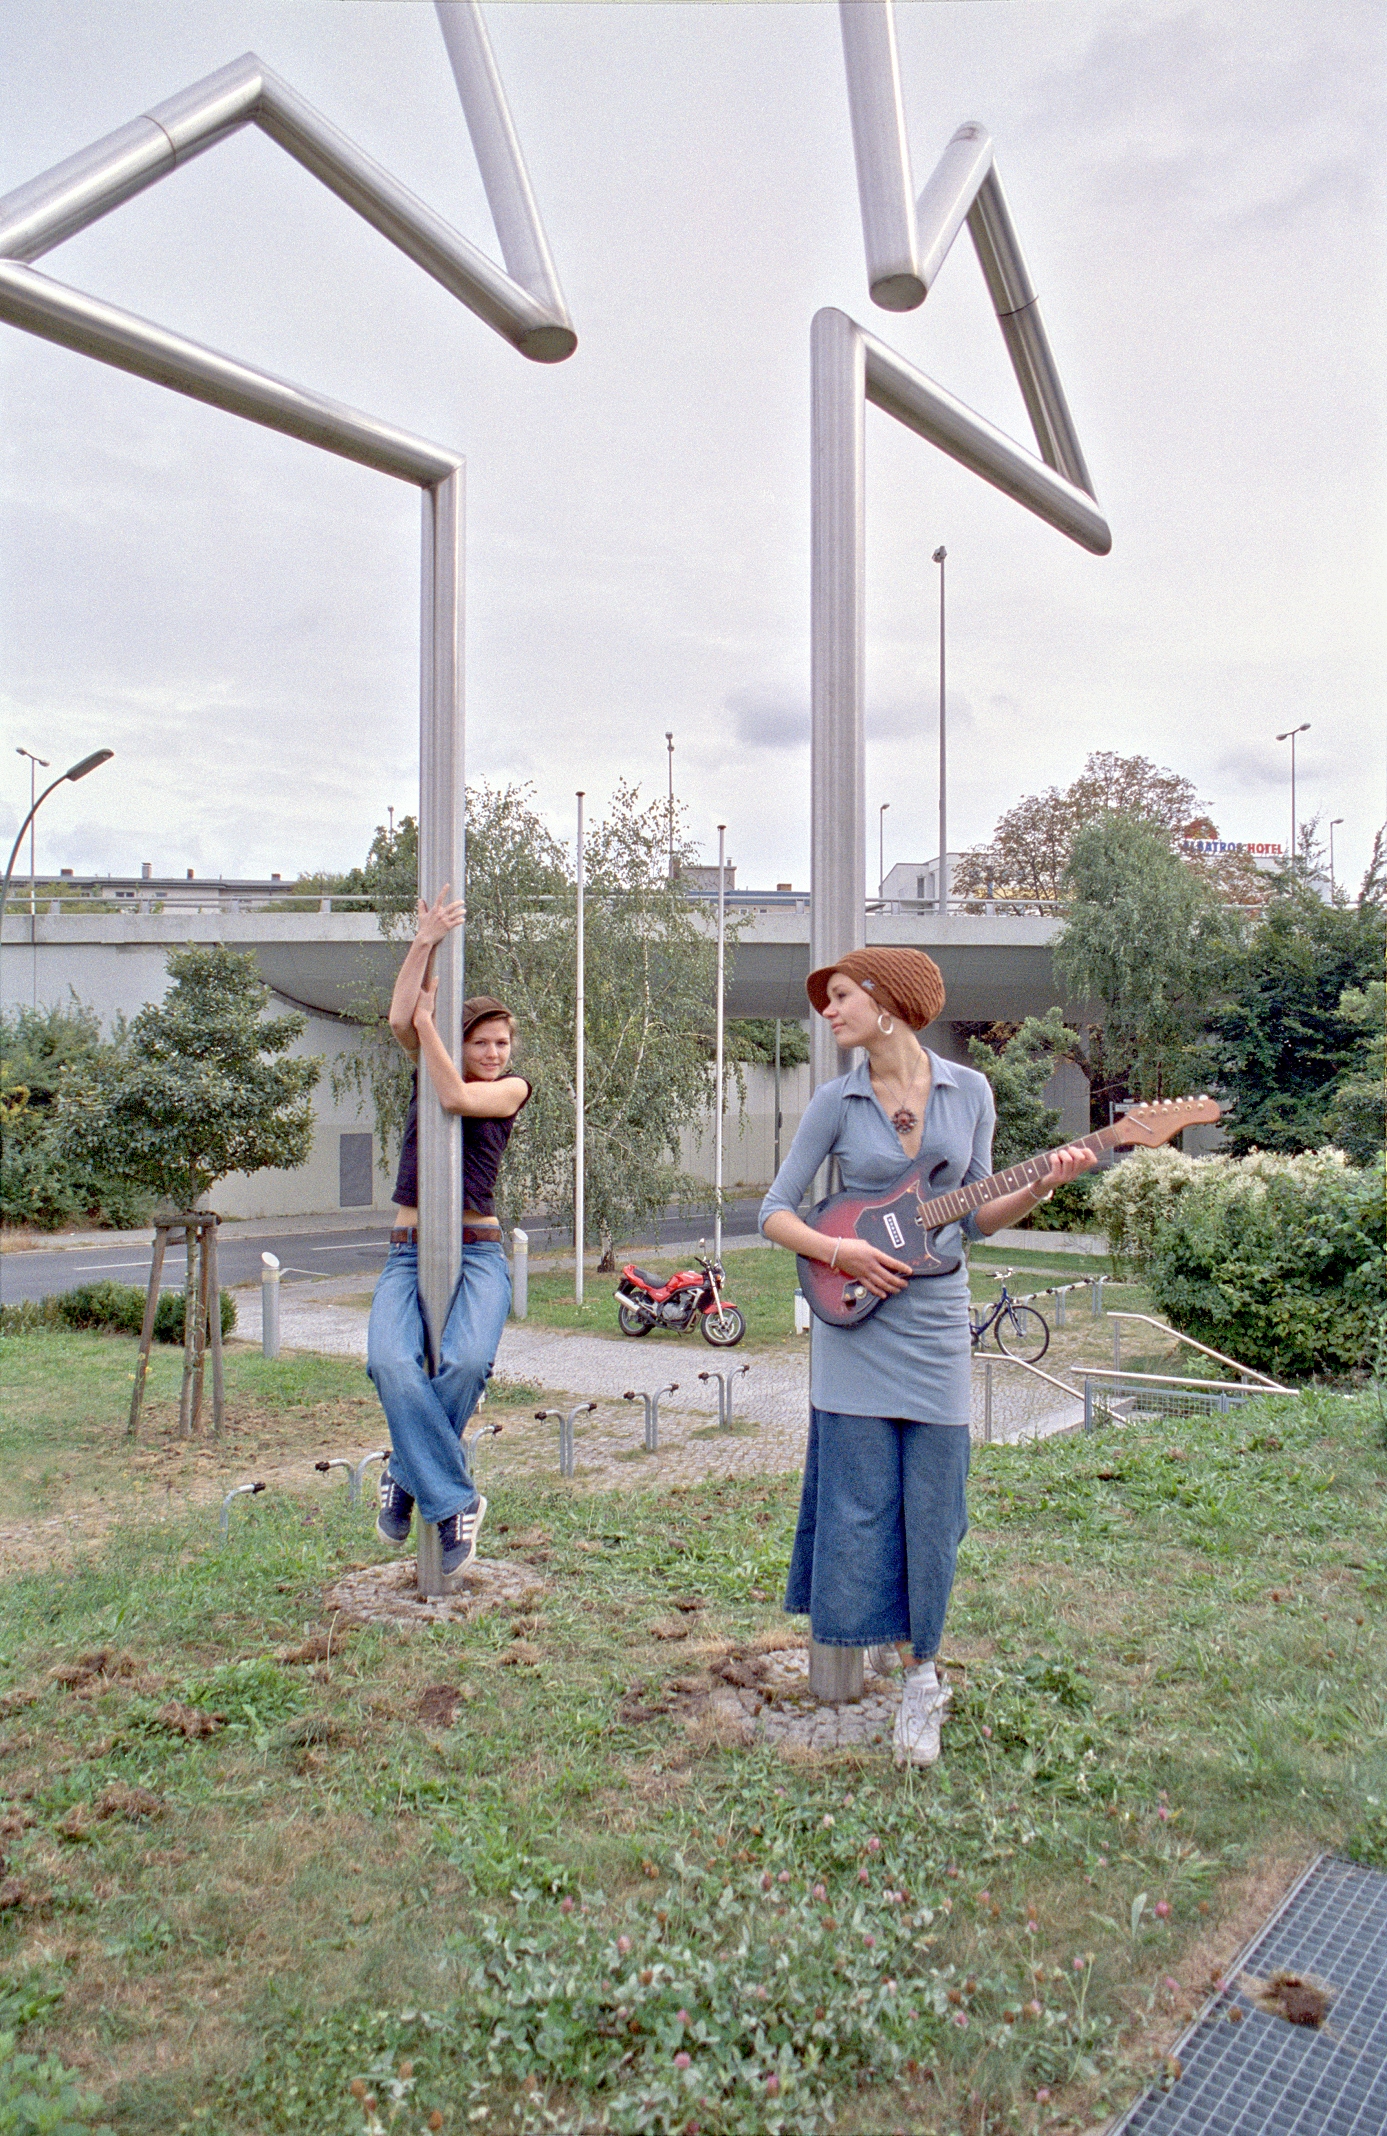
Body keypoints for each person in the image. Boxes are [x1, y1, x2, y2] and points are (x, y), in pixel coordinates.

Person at [759, 947, 1095, 1766]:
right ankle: (879, 1638)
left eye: (840, 998)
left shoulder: (968, 1091)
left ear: (887, 1004)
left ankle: (921, 1678)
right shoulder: (835, 1102)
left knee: (935, 1504)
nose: (828, 1012)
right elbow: (774, 1213)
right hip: (855, 1324)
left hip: (936, 1318)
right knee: (861, 1497)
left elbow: (974, 1215)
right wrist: (842, 1258)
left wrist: (1043, 1183)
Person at [366, 887, 531, 1576]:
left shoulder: (512, 1088)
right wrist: (424, 939)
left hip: (479, 1250)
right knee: (389, 1362)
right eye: (483, 1041)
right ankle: (453, 1496)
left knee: (465, 1363)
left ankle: (407, 1476)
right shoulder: (429, 1062)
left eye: (502, 1043)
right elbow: (402, 1015)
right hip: (408, 1253)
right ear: (464, 1040)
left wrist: (434, 1032)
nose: (494, 1053)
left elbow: (458, 1098)